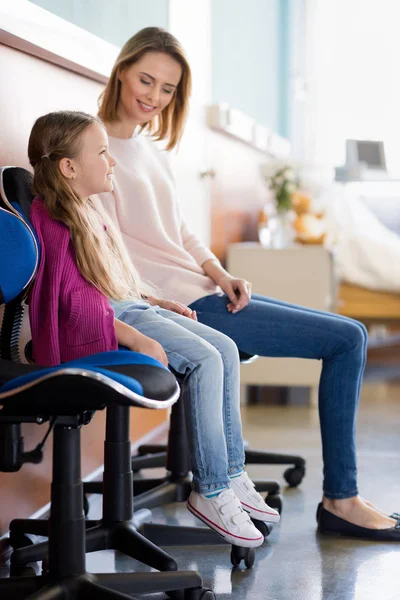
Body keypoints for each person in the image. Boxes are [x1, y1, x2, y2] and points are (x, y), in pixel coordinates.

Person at [97, 27, 400, 541]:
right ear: (122, 70)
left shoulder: (150, 149)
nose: (153, 96)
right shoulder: (95, 148)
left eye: (167, 89)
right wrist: (161, 303)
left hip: (205, 289)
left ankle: (342, 495)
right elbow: (103, 250)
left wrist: (222, 273)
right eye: (145, 80)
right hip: (179, 306)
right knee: (349, 339)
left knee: (350, 332)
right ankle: (341, 499)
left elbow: (181, 232)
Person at [27, 109, 280, 549]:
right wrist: (137, 337)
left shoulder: (86, 208)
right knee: (202, 359)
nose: (112, 161)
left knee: (221, 345)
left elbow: (109, 281)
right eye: (102, 153)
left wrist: (154, 301)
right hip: (110, 323)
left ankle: (232, 470)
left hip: (127, 309)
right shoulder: (53, 217)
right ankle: (212, 489)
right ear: (68, 167)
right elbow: (76, 302)